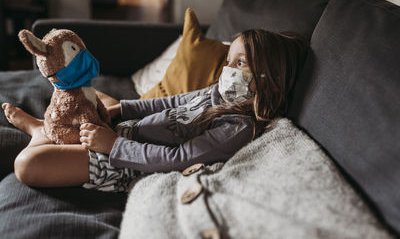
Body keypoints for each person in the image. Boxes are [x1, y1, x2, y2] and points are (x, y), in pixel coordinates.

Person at [1, 29, 308, 192]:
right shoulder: (218, 92)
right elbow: (170, 102)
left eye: (240, 63)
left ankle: (40, 130)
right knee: (95, 95)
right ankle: (53, 123)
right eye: (229, 60)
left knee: (27, 165)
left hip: (128, 162)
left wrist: (113, 145)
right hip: (127, 132)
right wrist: (123, 108)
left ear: (270, 79)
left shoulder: (237, 127)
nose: (228, 69)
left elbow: (178, 159)